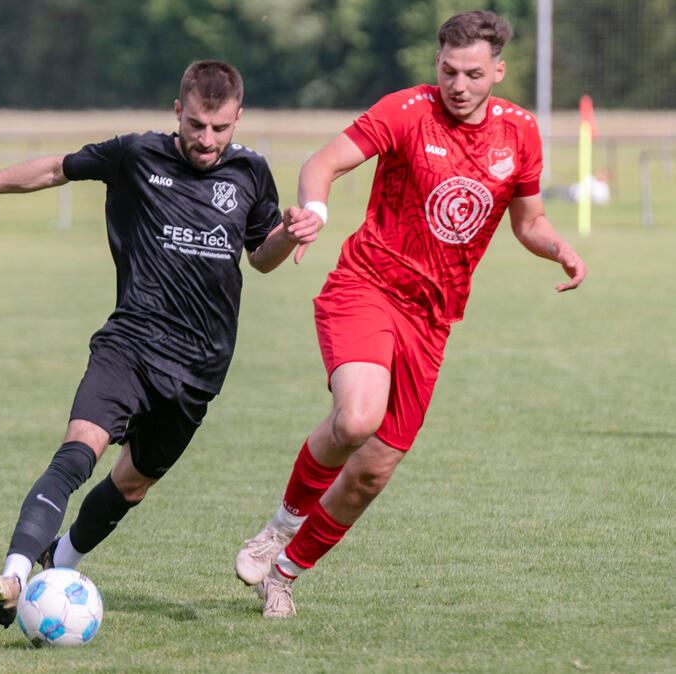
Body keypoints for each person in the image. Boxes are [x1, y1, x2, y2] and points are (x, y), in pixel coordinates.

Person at [0, 60, 321, 629]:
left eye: (219, 128)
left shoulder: (251, 171)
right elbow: (53, 169)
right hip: (129, 344)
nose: (206, 140)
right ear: (178, 110)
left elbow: (262, 258)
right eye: (197, 124)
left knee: (132, 483)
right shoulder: (136, 155)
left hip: (199, 370)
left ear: (237, 119)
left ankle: (62, 560)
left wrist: (285, 233)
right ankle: (13, 575)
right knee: (79, 447)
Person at [233, 10, 588, 618]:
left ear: (497, 72)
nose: (458, 84)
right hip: (366, 286)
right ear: (437, 65)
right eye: (448, 70)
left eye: (473, 73)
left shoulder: (521, 133)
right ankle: (276, 529)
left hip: (432, 319)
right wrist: (312, 209)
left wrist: (558, 247)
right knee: (357, 418)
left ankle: (286, 574)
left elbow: (528, 223)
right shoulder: (405, 110)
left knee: (372, 472)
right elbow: (322, 163)